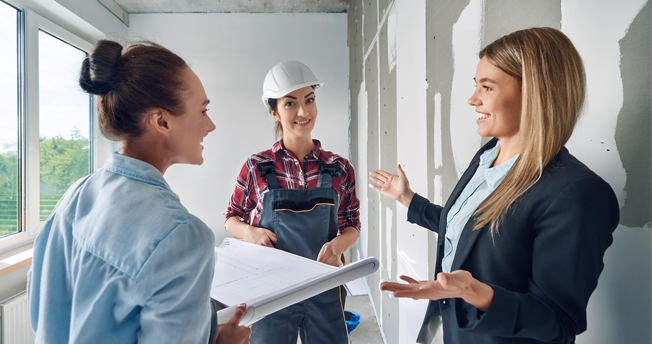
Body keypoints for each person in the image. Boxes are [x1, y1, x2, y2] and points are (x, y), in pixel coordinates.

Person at [371, 27, 619, 344]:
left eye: (486, 87)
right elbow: (473, 231)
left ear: (535, 93)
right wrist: (407, 198)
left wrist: (476, 293)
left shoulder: (578, 193)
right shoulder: (488, 155)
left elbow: (559, 322)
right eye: (476, 85)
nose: (473, 99)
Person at [27, 39, 251, 344]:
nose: (210, 125)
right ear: (162, 121)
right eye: (203, 111)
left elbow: (49, 316)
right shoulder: (183, 237)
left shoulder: (75, 196)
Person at [224, 61, 361, 344]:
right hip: (271, 290)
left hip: (324, 284)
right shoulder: (256, 166)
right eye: (290, 103)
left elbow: (352, 225)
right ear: (273, 111)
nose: (303, 112)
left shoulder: (339, 167)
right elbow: (232, 217)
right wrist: (251, 232)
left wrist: (338, 245)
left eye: (309, 100)